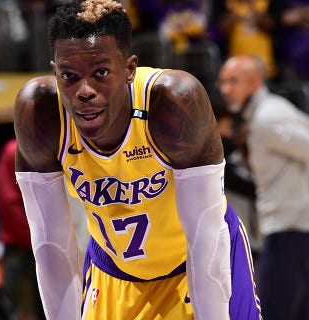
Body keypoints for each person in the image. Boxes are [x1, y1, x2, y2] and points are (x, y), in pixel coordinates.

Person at [13, 0, 262, 319]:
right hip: (114, 272)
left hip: (196, 260)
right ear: (55, 72)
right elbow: (50, 246)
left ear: (129, 69)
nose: (84, 90)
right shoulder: (40, 112)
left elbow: (205, 236)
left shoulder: (173, 102)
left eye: (100, 73)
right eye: (69, 76)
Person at [217, 55, 309, 320]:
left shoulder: (267, 119)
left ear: (255, 83)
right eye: (223, 82)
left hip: (291, 232)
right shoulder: (273, 109)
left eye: (234, 81)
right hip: (303, 231)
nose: (225, 89)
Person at [0, 138, 44, 320]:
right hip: (23, 250)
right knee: (24, 314)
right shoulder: (13, 150)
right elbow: (9, 205)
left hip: (51, 248)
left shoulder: (62, 145)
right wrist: (42, 238)